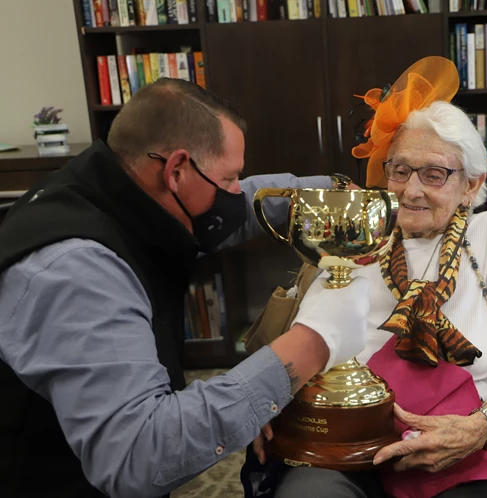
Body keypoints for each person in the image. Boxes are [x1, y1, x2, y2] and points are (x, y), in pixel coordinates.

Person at [0, 78, 370, 498]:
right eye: (230, 177)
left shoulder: (118, 184)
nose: (236, 191)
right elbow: (139, 455)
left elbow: (233, 207)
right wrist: (313, 344)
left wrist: (327, 195)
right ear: (176, 170)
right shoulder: (76, 271)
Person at [270, 58, 487, 498]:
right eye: (401, 170)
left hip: (473, 447)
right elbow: (305, 337)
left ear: (470, 185)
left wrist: (484, 423)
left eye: (434, 174)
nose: (410, 190)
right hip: (358, 443)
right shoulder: (361, 236)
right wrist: (264, 401)